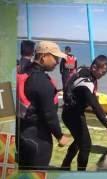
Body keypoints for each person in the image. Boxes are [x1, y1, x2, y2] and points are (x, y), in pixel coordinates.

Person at [61, 55, 107, 171]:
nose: (103, 75)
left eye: (105, 73)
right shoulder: (86, 82)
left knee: (79, 141)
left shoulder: (83, 71)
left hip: (72, 113)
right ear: (94, 67)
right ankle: (81, 173)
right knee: (86, 145)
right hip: (72, 115)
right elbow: (95, 105)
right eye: (102, 72)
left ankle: (65, 165)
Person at [17, 41, 69, 170]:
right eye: (55, 57)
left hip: (23, 133)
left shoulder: (25, 72)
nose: (57, 62)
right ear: (43, 56)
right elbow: (49, 115)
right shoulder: (41, 81)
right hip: (38, 139)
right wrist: (60, 136)